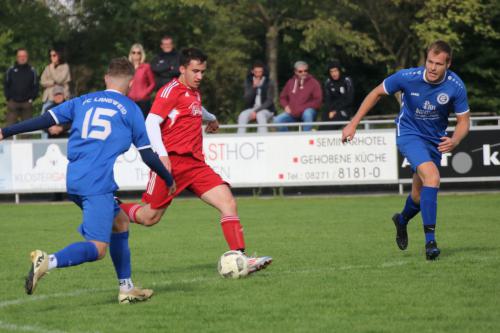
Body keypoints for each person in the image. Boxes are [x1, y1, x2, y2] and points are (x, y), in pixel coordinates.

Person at [0, 57, 176, 303]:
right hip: (97, 183)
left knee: (121, 222)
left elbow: (46, 119)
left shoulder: (83, 101)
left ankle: (126, 287)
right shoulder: (131, 109)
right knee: (98, 248)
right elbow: (147, 154)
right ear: (131, 82)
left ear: (106, 78)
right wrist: (168, 177)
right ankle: (47, 261)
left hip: (74, 178)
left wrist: (6, 131)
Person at [119, 48, 272, 273]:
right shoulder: (170, 90)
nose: (200, 76)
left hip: (196, 165)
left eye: (202, 71)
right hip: (171, 164)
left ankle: (240, 257)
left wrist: (212, 118)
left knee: (228, 202)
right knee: (149, 217)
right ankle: (111, 210)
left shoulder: (193, 91)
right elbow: (151, 122)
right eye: (195, 71)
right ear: (182, 69)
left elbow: (196, 108)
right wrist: (162, 156)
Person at [342, 40, 470, 260]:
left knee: (419, 196)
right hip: (409, 134)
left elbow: (464, 121)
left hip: (433, 141)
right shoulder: (407, 77)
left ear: (448, 64)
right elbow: (375, 93)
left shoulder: (455, 86)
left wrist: (456, 140)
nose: (432, 67)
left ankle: (401, 220)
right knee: (433, 177)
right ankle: (430, 243)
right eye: (429, 61)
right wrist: (353, 123)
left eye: (438, 64)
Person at [274, 61, 322, 131]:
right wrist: (286, 106)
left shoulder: (314, 82)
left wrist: (301, 109)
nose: (303, 73)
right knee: (277, 120)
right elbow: (283, 97)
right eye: (300, 71)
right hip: (293, 113)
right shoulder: (290, 82)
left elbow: (318, 100)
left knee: (307, 114)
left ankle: (306, 138)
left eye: (305, 71)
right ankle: (286, 140)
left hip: (307, 112)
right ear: (295, 72)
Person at [237, 61, 276, 134]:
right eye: (256, 72)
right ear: (252, 71)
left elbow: (269, 101)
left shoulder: (269, 82)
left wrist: (256, 111)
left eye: (260, 72)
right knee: (242, 115)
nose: (258, 74)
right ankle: (240, 138)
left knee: (260, 115)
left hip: (267, 109)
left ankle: (262, 138)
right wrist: (254, 87)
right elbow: (247, 99)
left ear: (263, 72)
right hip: (252, 109)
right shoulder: (248, 81)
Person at [3, 48, 39, 126]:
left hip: (27, 103)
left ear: (27, 57)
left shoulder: (32, 71)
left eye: (24, 56)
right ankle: (9, 138)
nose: (22, 58)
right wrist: (8, 98)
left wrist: (31, 98)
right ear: (17, 57)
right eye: (20, 56)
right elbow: (6, 84)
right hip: (13, 103)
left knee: (27, 128)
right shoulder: (11, 70)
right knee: (10, 128)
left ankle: (26, 138)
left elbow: (36, 86)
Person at [320, 61, 354, 130]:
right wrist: (330, 110)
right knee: (322, 124)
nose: (334, 74)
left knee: (329, 127)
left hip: (344, 110)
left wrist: (336, 110)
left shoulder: (347, 80)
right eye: (331, 72)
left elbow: (350, 99)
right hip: (331, 110)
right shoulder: (328, 82)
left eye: (335, 71)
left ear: (339, 70)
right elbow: (327, 100)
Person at [127, 43, 156, 118]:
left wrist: (145, 93)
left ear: (141, 54)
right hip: (130, 100)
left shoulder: (146, 67)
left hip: (143, 101)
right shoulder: (127, 67)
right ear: (130, 54)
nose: (136, 54)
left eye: (138, 53)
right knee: (131, 123)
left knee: (143, 123)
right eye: (133, 52)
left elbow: (152, 83)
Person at [40, 48, 71, 114]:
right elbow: (42, 82)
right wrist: (52, 82)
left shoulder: (65, 66)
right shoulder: (47, 67)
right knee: (43, 116)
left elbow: (59, 80)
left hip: (61, 97)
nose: (52, 57)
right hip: (49, 97)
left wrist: (52, 68)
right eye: (50, 56)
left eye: (54, 55)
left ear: (59, 55)